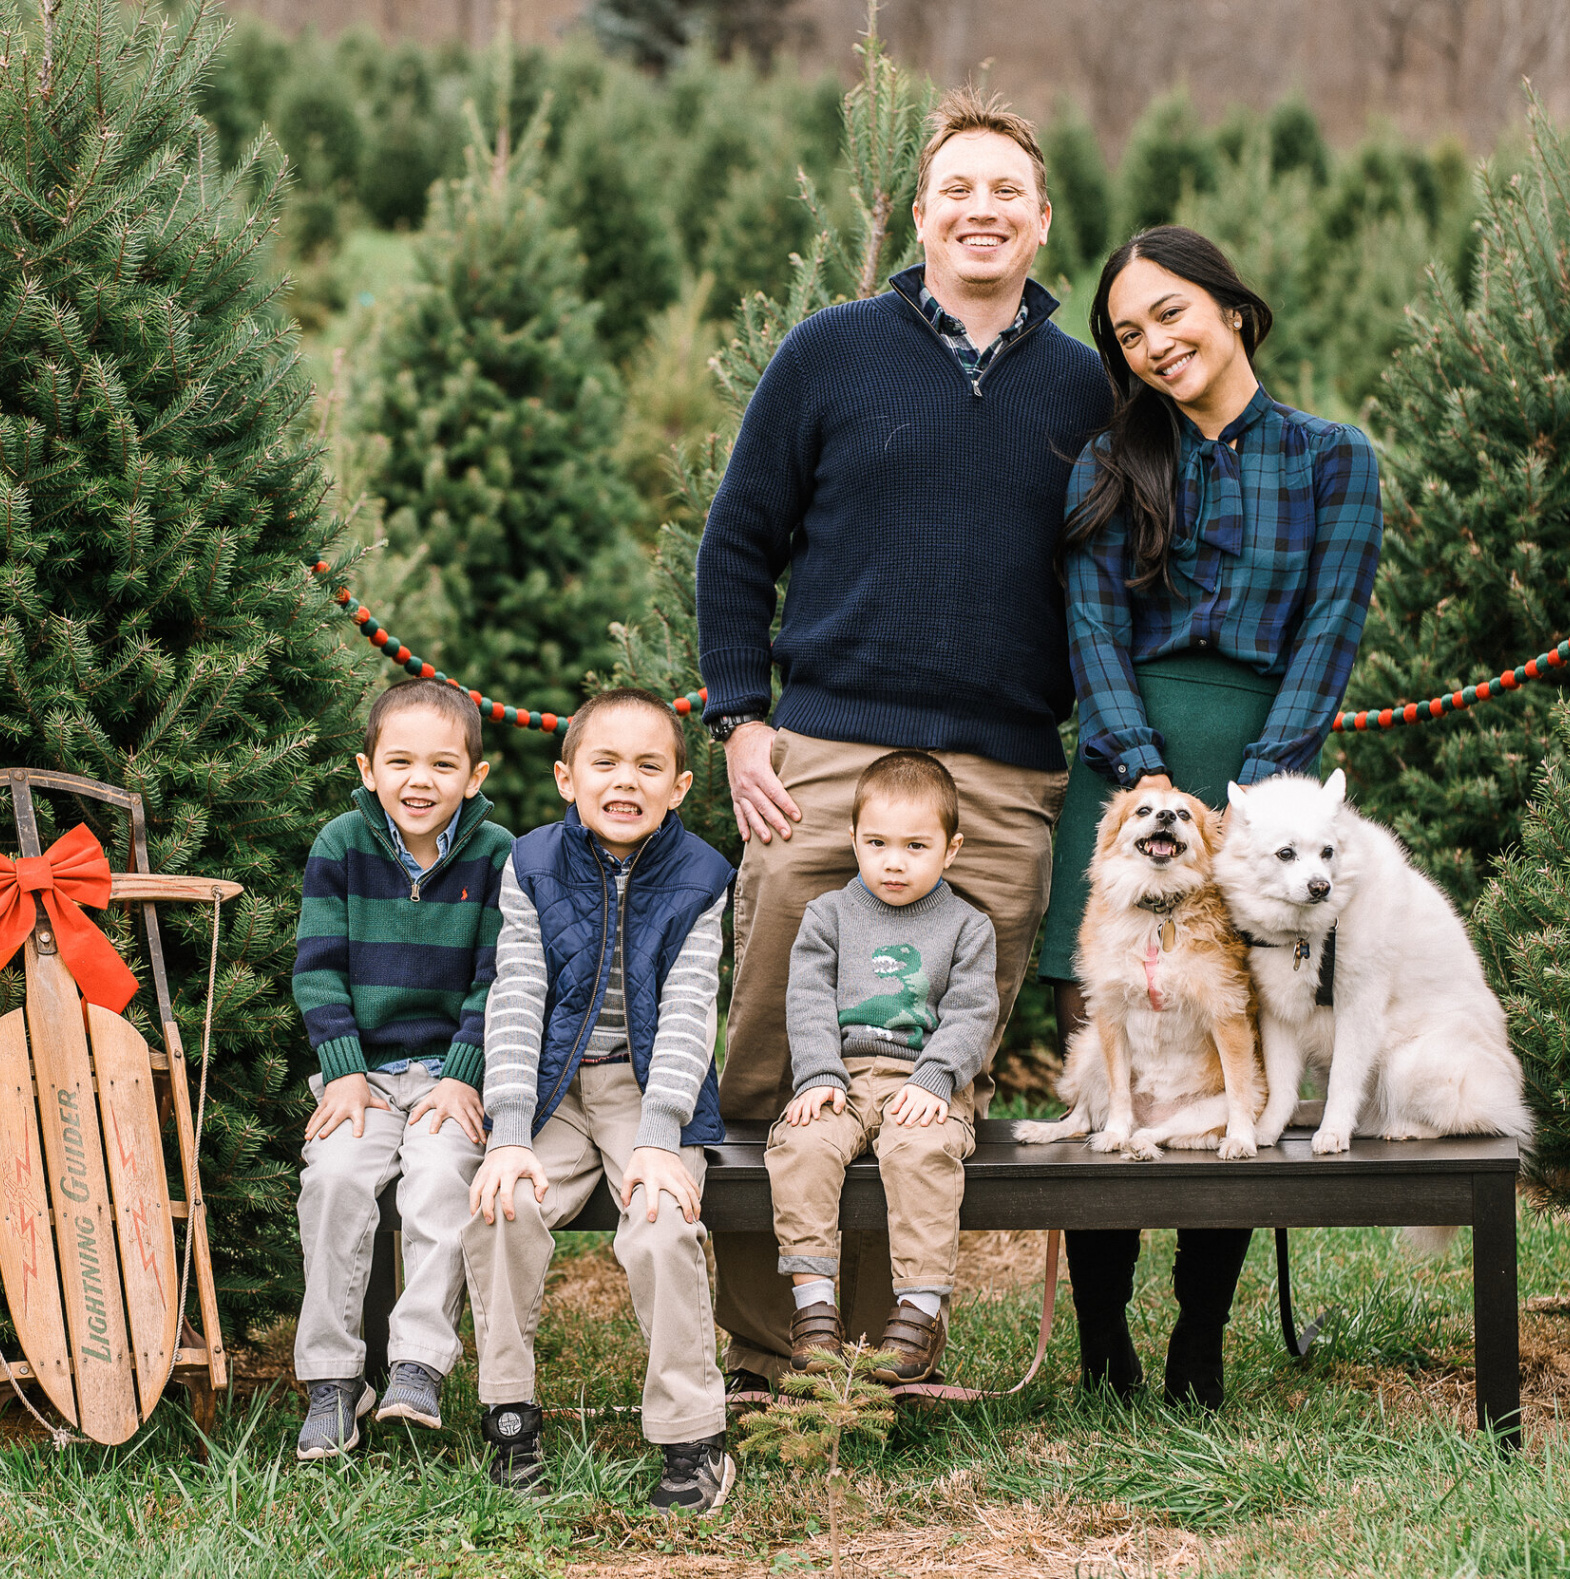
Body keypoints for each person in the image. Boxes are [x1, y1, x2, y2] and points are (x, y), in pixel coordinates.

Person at [693, 86, 1113, 1398]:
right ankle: (777, 1353)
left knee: (931, 1065)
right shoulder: (829, 353)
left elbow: (1116, 580)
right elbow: (735, 544)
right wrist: (739, 718)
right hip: (823, 750)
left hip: (997, 774)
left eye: (1006, 192)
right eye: (956, 190)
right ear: (921, 214)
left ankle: (888, 1341)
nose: (979, 210)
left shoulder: (1083, 386)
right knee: (781, 1047)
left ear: (1040, 222)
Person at [1044, 225, 1383, 1408]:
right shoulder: (1105, 460)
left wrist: (1255, 800)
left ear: (1231, 308)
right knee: (1121, 1033)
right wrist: (1145, 784)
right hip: (1124, 763)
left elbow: (1327, 630)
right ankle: (1101, 1342)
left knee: (1232, 1033)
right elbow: (1090, 629)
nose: (1153, 345)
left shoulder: (1332, 460)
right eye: (1127, 334)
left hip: (1262, 777)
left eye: (1170, 315)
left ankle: (1199, 1338)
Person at [462, 689, 737, 1515]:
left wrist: (661, 1136)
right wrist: (509, 1131)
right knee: (500, 1206)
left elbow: (691, 1009)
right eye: (604, 762)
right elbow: (515, 994)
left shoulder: (701, 875)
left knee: (660, 1220)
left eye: (648, 765)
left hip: (648, 1090)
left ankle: (692, 1433)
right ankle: (510, 1413)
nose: (625, 781)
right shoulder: (532, 863)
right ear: (565, 776)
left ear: (680, 786)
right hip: (551, 1086)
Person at [289, 679, 514, 1459]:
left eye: (442, 764)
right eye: (401, 761)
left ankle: (416, 1363)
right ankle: (332, 1381)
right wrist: (343, 1069)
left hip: (450, 1076)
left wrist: (464, 1072)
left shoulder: (496, 854)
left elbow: (501, 977)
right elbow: (317, 969)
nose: (420, 780)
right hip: (365, 1077)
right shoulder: (340, 843)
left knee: (442, 1177)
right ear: (369, 766)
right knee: (334, 1181)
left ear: (474, 777)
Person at [765, 751, 1000, 1384]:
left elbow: (973, 1014)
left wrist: (937, 1079)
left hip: (923, 1081)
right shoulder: (830, 915)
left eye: (915, 846)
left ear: (951, 850)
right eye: (877, 843)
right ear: (853, 841)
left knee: (920, 1152)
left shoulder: (967, 927)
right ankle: (815, 1312)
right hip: (838, 1075)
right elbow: (808, 999)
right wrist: (816, 1075)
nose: (893, 861)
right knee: (802, 1145)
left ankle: (918, 1313)